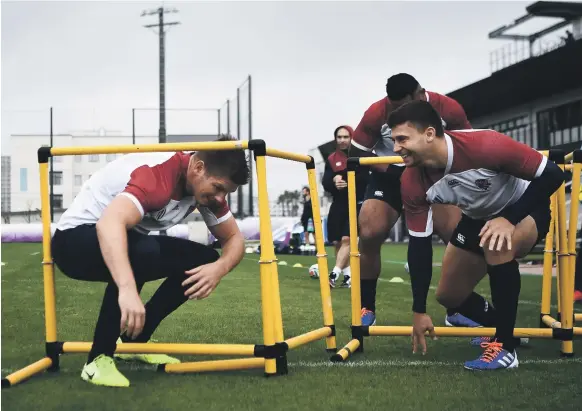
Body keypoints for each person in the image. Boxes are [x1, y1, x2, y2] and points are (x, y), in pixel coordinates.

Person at [52, 135, 249, 387]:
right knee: (143, 251)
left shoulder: (205, 191)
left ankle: (134, 343)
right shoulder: (159, 174)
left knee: (203, 258)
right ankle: (97, 360)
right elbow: (109, 223)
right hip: (74, 243)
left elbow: (234, 239)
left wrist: (219, 269)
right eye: (219, 188)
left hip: (122, 239)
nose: (221, 198)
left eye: (227, 192)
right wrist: (127, 289)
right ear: (198, 167)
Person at [390, 100, 564, 370]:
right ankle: (502, 327)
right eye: (393, 140)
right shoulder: (411, 182)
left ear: (429, 134)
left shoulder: (485, 145)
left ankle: (505, 349)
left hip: (524, 210)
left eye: (402, 139)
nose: (395, 148)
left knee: (495, 241)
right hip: (476, 219)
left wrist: (508, 219)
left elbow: (553, 174)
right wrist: (419, 310)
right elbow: (419, 246)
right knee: (449, 296)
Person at [350, 73, 476, 327]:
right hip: (390, 177)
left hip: (436, 177)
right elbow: (356, 156)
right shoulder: (376, 113)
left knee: (458, 238)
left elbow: (468, 146)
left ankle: (457, 307)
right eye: (397, 109)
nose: (402, 114)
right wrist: (395, 170)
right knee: (370, 230)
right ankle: (366, 306)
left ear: (420, 94)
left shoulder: (447, 108)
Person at [322, 125, 369, 288]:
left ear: (352, 138)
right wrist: (334, 180)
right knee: (337, 242)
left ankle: (333, 274)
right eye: (339, 137)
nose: (342, 140)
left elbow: (365, 179)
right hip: (338, 204)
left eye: (346, 137)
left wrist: (348, 182)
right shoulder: (331, 158)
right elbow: (325, 181)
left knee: (347, 239)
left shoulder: (361, 156)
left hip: (357, 203)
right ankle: (348, 277)